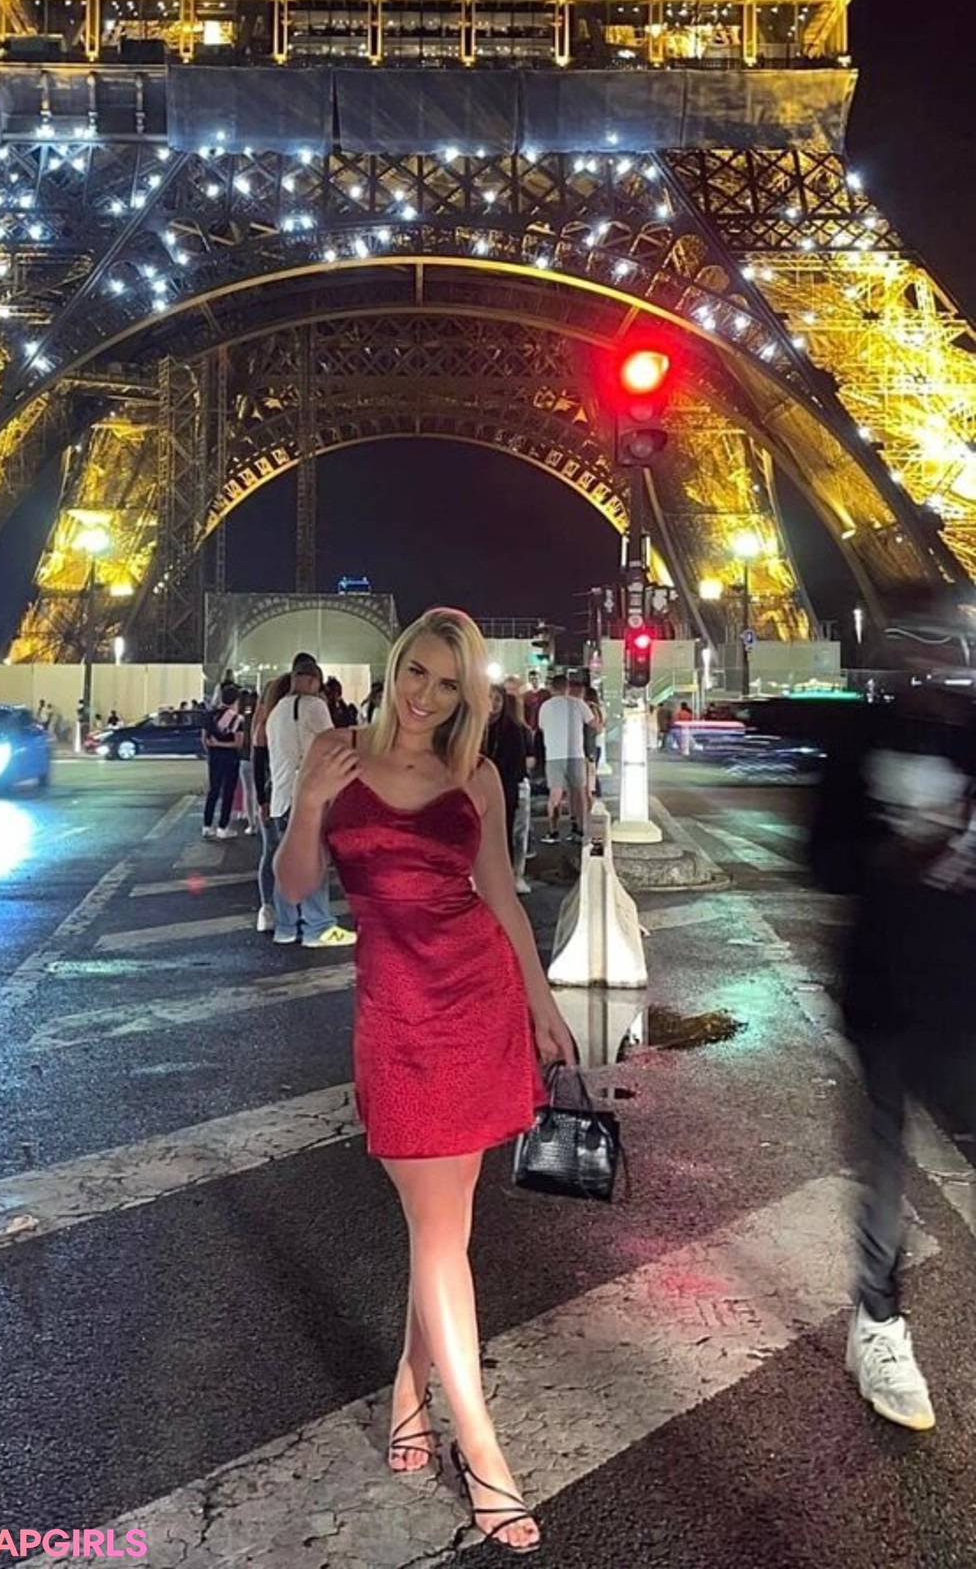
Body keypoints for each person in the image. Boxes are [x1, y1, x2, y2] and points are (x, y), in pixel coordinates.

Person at [275, 607, 575, 1552]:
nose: (426, 697)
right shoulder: (336, 754)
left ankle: (412, 1393)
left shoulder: (474, 774)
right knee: (437, 1229)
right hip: (396, 1017)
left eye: (449, 685)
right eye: (418, 674)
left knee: (446, 1230)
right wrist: (308, 803)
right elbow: (294, 886)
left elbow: (503, 898)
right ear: (396, 665)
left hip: (477, 1000)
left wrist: (543, 1004)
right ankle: (482, 1453)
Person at [808, 584, 976, 1433]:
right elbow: (821, 859)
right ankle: (878, 1323)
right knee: (884, 1167)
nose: (932, 661)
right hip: (883, 987)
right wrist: (892, 856)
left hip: (966, 994)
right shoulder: (859, 741)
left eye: (946, 644)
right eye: (918, 644)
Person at [266, 654, 356, 949]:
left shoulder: (276, 710)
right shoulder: (313, 706)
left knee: (287, 864)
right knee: (313, 862)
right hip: (306, 796)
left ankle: (285, 926)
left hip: (280, 797)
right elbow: (331, 746)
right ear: (311, 680)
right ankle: (318, 927)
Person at [484, 683, 532, 894]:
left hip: (506, 790)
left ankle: (511, 876)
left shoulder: (513, 729)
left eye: (498, 699)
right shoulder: (474, 727)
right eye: (490, 698)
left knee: (507, 834)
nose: (493, 704)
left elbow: (518, 765)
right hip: (479, 790)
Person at [253, 673, 290, 932]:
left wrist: (261, 800)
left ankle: (267, 908)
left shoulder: (265, 723)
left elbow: (257, 766)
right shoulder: (285, 721)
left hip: (269, 791)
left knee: (270, 851)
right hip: (282, 791)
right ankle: (284, 907)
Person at [538, 672, 591, 843]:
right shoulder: (578, 703)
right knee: (578, 793)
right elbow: (594, 724)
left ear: (551, 688)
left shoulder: (545, 706)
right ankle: (579, 829)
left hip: (554, 755)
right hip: (576, 754)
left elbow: (541, 727)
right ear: (567, 687)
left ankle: (553, 831)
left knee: (555, 794)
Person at [201, 683, 243, 840]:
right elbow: (238, 743)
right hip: (230, 759)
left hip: (214, 757)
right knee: (228, 792)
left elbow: (203, 739)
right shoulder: (237, 718)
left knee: (213, 791)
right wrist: (221, 744)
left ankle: (207, 826)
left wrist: (211, 750)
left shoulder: (209, 715)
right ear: (236, 700)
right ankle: (222, 827)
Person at [237, 689, 258, 832]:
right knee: (260, 791)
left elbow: (241, 741)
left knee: (248, 791)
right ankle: (261, 819)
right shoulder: (264, 719)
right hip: (261, 758)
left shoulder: (243, 719)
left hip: (245, 758)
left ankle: (252, 824)